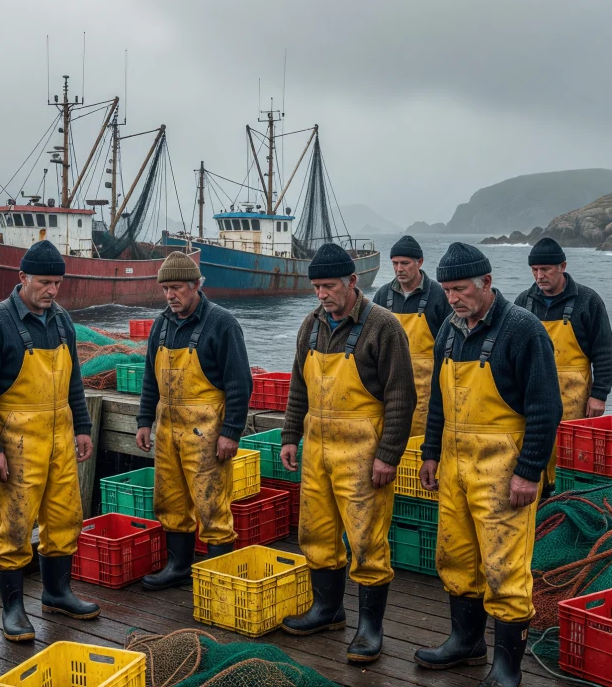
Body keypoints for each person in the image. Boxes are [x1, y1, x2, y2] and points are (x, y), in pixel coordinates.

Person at [415, 242, 562, 687]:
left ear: (487, 283)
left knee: (504, 567)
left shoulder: (523, 329)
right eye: (447, 290)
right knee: (456, 556)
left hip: (503, 472)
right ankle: (466, 642)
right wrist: (430, 451)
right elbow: (438, 400)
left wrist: (529, 471)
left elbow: (545, 408)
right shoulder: (448, 329)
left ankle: (507, 668)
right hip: (455, 467)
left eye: (460, 289)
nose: (452, 298)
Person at [277, 243, 415, 664]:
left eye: (329, 286)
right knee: (316, 533)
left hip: (363, 454)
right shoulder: (310, 325)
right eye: (316, 287)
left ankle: (370, 628)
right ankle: (327, 610)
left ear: (352, 282)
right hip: (317, 450)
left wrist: (388, 455)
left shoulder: (384, 326)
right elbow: (299, 385)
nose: (322, 294)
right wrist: (290, 435)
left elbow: (401, 397)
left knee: (367, 540)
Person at [0, 239, 100, 642]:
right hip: (16, 445)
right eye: (44, 282)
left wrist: (82, 426)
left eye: (57, 283)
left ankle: (57, 594)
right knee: (14, 526)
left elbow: (74, 380)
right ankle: (12, 610)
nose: (52, 290)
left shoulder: (62, 321)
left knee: (64, 519)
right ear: (22, 277)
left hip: (60, 439)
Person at [135, 251, 253, 588]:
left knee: (212, 505)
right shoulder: (161, 325)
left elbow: (239, 383)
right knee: (170, 501)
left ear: (196, 285)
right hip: (167, 429)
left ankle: (220, 578)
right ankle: (179, 567)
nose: (169, 295)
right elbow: (150, 378)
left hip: (207, 432)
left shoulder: (222, 323)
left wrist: (231, 432)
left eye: (176, 288)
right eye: (165, 289)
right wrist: (144, 421)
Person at [514, 238, 612, 490]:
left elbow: (604, 351)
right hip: (532, 392)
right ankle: (540, 497)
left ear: (562, 266)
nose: (539, 276)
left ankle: (569, 496)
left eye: (546, 269)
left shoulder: (588, 300)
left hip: (574, 395)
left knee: (572, 453)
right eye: (534, 270)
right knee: (534, 445)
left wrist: (599, 394)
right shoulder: (523, 302)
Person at [373, 235, 451, 438]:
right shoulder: (382, 296)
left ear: (420, 262)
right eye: (395, 263)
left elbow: (450, 347)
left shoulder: (439, 295)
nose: (399, 269)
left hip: (427, 389)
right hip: (389, 386)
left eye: (405, 263)